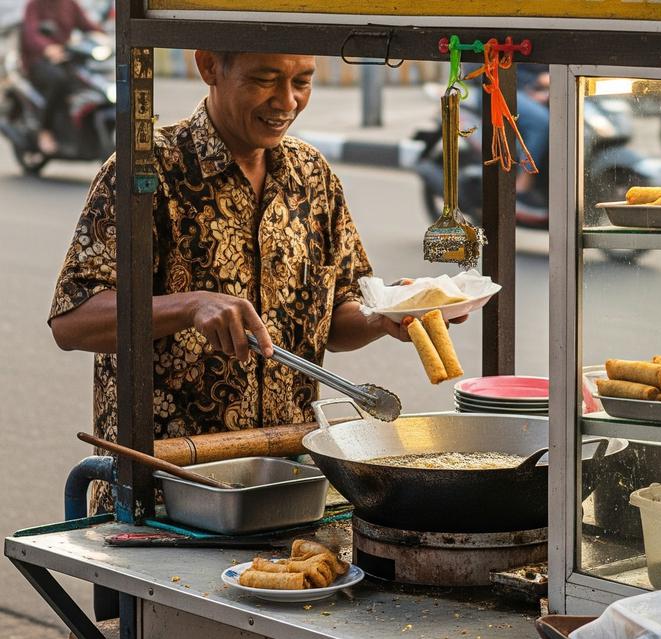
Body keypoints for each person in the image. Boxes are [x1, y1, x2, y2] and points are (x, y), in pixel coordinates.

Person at [49, 51, 458, 513]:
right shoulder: (147, 170)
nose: (287, 101)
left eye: (302, 82)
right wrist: (190, 306)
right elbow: (73, 321)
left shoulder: (312, 176)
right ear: (209, 67)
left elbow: (334, 321)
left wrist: (382, 314)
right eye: (265, 79)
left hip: (289, 486)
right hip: (167, 496)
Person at [19, 0, 106, 155]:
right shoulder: (34, 5)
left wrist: (107, 34)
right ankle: (44, 131)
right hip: (38, 60)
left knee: (84, 81)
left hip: (64, 58)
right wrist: (47, 48)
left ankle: (74, 130)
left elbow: (86, 24)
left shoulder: (70, 4)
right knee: (58, 81)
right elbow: (31, 33)